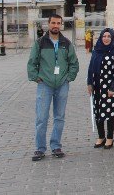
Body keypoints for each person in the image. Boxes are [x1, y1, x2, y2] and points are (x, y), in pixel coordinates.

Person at [27, 14, 79, 161]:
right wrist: (36, 77)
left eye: (58, 23)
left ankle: (56, 145)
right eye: (53, 23)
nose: (56, 26)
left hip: (62, 84)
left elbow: (74, 63)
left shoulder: (66, 43)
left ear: (61, 25)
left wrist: (69, 77)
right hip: (45, 84)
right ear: (48, 24)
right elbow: (32, 62)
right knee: (42, 117)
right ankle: (40, 148)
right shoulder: (40, 43)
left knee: (59, 117)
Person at [87, 28, 114, 149]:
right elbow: (91, 68)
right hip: (97, 86)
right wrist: (89, 83)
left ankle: (110, 137)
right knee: (98, 111)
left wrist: (113, 88)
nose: (106, 38)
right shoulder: (96, 51)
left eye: (109, 36)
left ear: (112, 38)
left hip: (109, 88)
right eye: (104, 36)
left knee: (109, 113)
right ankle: (101, 136)